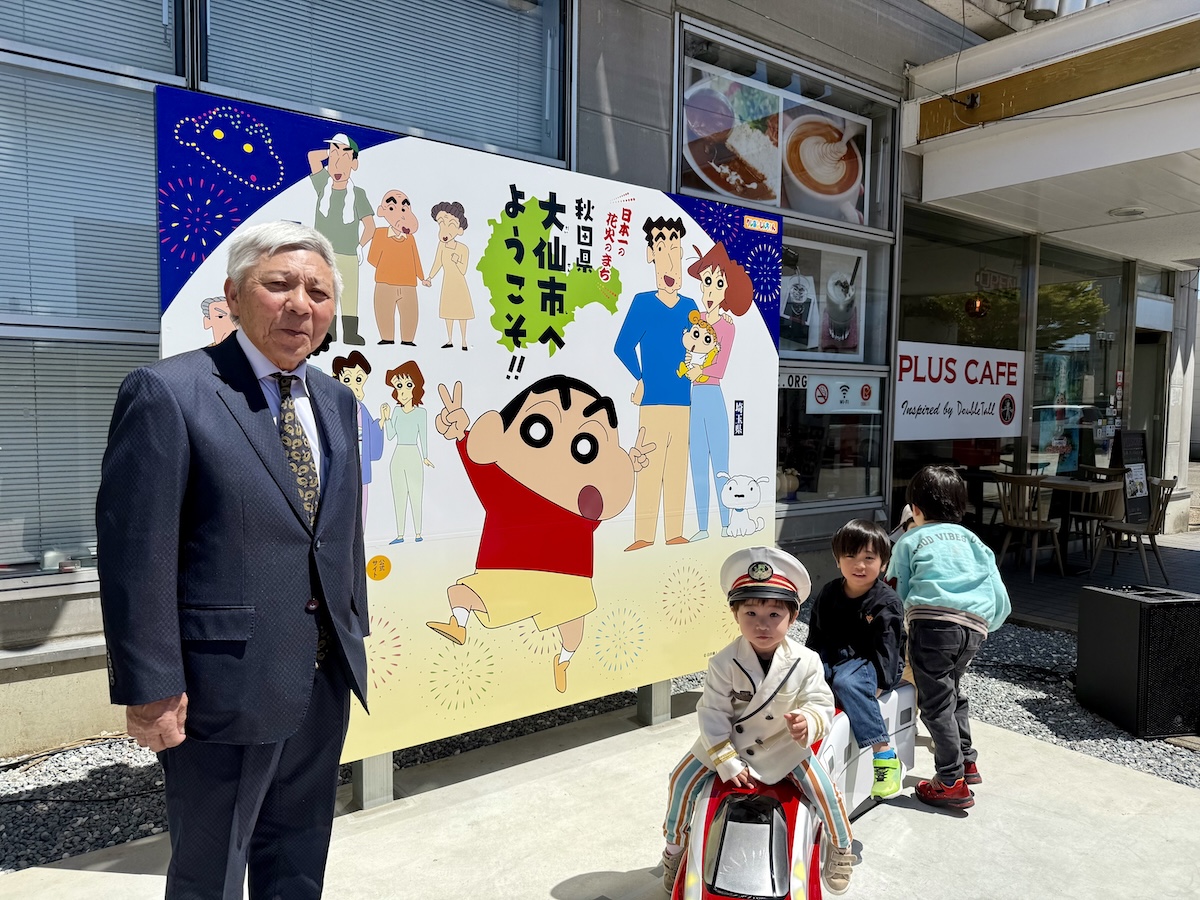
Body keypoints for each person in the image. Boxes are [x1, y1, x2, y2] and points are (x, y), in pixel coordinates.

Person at [96, 220, 370, 899]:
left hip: (321, 674)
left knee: (299, 854)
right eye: (279, 285)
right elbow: (136, 555)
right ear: (234, 295)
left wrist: (352, 627)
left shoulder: (335, 400)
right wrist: (151, 686)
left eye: (318, 292)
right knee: (211, 870)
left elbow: (334, 532)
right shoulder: (169, 392)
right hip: (220, 688)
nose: (300, 305)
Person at [661, 546, 854, 896]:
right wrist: (726, 761)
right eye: (750, 612)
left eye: (774, 613)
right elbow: (713, 713)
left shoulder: (806, 661)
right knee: (680, 780)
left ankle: (841, 848)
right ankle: (674, 849)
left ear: (793, 617)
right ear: (735, 614)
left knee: (827, 792)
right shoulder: (723, 662)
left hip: (783, 747)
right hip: (727, 743)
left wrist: (808, 721)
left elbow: (821, 703)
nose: (762, 624)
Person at [885, 466, 1010, 810]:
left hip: (932, 626)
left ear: (915, 510)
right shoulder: (976, 542)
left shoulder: (910, 540)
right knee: (952, 693)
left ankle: (950, 780)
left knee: (936, 704)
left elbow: (894, 591)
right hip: (974, 628)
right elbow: (1000, 597)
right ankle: (967, 760)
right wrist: (985, 626)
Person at [806, 519, 906, 800]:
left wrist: (881, 684)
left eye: (869, 558)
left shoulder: (886, 602)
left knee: (847, 682)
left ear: (883, 564)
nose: (859, 565)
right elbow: (816, 635)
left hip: (870, 661)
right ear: (837, 559)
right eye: (850, 556)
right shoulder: (828, 592)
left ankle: (884, 756)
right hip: (833, 656)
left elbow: (889, 647)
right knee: (804, 677)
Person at [613, 216, 694, 552]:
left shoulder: (690, 307)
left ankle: (675, 531)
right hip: (653, 401)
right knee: (649, 465)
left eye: (675, 248)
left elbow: (699, 349)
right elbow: (623, 346)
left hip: (683, 401)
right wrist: (641, 378)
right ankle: (643, 535)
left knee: (677, 468)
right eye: (662, 248)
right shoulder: (643, 303)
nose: (670, 257)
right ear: (651, 254)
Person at [682, 241, 753, 542]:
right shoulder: (694, 319)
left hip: (712, 394)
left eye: (718, 283)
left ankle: (725, 524)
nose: (710, 289)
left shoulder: (727, 326)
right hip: (695, 396)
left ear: (726, 291)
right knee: (697, 462)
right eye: (707, 281)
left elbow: (719, 367)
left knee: (720, 465)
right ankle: (702, 527)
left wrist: (699, 372)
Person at [307, 133, 374, 347]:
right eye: (334, 157)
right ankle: (329, 331)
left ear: (354, 164)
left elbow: (370, 226)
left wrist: (360, 246)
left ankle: (351, 333)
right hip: (324, 256)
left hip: (349, 254)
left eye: (345, 158)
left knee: (349, 294)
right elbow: (312, 157)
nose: (338, 164)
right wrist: (333, 152)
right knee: (325, 292)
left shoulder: (358, 194)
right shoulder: (323, 186)